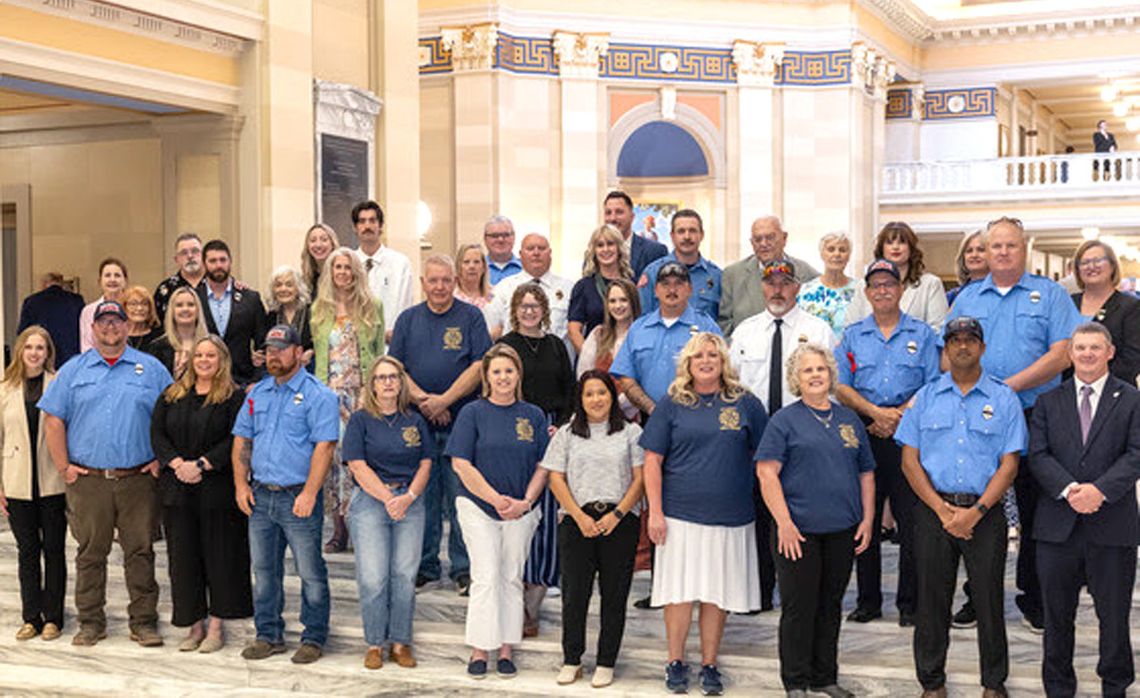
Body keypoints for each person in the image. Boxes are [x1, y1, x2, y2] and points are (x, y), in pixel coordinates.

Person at [945, 216, 1082, 632]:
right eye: (995, 246)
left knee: (1038, 507)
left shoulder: (1051, 294)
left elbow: (1063, 354)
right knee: (980, 505)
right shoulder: (967, 298)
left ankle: (1034, 598)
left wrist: (1009, 386)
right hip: (981, 417)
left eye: (1011, 245)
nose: (1002, 252)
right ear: (984, 252)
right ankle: (977, 597)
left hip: (1038, 415)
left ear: (1024, 249)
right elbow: (949, 353)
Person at [896, 316, 1026, 698]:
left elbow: (1010, 464)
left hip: (985, 515)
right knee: (932, 601)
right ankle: (932, 683)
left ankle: (993, 683)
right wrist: (941, 510)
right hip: (934, 512)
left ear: (982, 348)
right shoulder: (925, 397)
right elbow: (909, 461)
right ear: (946, 349)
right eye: (955, 341)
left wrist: (977, 512)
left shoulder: (1004, 398)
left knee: (988, 601)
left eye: (971, 340)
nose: (963, 346)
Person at [39, 300, 173, 647]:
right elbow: (53, 419)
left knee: (140, 552)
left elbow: (170, 417)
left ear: (128, 327)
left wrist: (162, 458)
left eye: (117, 321)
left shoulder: (152, 368)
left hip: (139, 480)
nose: (111, 327)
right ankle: (90, 622)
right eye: (104, 322)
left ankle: (143, 622)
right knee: (90, 553)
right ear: (93, 328)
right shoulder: (73, 370)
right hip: (89, 482)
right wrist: (64, 466)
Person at [642, 332, 767, 696]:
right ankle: (675, 661)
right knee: (679, 593)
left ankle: (710, 663)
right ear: (688, 363)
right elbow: (652, 461)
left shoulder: (745, 403)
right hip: (680, 515)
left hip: (732, 516)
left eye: (713, 354)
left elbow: (766, 456)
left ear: (724, 360)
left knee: (717, 594)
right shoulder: (672, 403)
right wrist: (655, 513)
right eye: (699, 356)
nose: (707, 361)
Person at [755, 343, 875, 698]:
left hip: (842, 529)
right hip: (798, 531)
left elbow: (866, 473)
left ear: (831, 374)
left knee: (830, 605)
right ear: (796, 377)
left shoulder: (849, 419)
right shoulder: (783, 420)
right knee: (798, 607)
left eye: (820, 369)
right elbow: (766, 473)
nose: (815, 375)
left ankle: (825, 677)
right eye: (807, 370)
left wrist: (868, 519)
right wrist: (785, 523)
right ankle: (795, 680)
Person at [1028, 322, 1140, 698]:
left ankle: (1115, 687)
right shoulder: (1048, 401)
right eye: (1080, 348)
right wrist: (1070, 489)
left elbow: (1136, 454)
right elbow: (1039, 456)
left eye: (1095, 347)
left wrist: (1100, 492)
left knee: (1113, 617)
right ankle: (1059, 688)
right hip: (1057, 528)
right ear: (1070, 354)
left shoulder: (1132, 399)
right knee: (1057, 619)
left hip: (1112, 525)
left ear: (1110, 352)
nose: (1088, 354)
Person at [834, 259, 941, 628]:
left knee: (910, 521)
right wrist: (874, 413)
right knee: (864, 518)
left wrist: (895, 415)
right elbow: (841, 384)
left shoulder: (923, 334)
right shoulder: (852, 335)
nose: (882, 290)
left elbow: (932, 384)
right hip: (864, 432)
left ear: (900, 290)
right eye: (875, 285)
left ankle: (909, 604)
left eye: (889, 284)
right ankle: (868, 601)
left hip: (908, 434)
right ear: (866, 293)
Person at [232, 324, 339, 665]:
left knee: (310, 572)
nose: (273, 355)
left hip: (298, 498)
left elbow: (325, 447)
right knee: (264, 571)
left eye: (281, 348)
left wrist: (310, 493)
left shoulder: (319, 394)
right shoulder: (256, 394)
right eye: (269, 349)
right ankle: (268, 634)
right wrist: (240, 484)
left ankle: (314, 636)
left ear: (298, 352)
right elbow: (242, 441)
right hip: (261, 497)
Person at [388, 255, 491, 595]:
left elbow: (479, 365)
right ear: (423, 283)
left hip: (463, 421)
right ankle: (426, 565)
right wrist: (426, 402)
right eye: (433, 280)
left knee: (462, 496)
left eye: (446, 280)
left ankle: (463, 568)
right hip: (417, 424)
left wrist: (445, 399)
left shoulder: (471, 317)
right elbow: (396, 367)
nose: (440, 287)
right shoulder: (408, 320)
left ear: (455, 280)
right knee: (423, 496)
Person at [446, 344, 549, 679]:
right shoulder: (472, 413)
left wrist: (526, 502)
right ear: (487, 377)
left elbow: (543, 465)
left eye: (508, 370)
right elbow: (461, 464)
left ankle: (506, 648)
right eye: (496, 372)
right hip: (477, 507)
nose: (503, 377)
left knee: (510, 576)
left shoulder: (533, 414)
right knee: (487, 574)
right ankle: (479, 649)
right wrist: (495, 500)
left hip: (521, 509)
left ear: (518, 374)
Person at [149, 335, 250, 654]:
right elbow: (157, 432)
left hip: (217, 489)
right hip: (177, 488)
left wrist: (203, 464)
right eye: (199, 355)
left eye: (211, 356)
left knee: (220, 558)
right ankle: (194, 625)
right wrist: (177, 463)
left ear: (222, 361)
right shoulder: (172, 394)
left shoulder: (233, 397)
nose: (204, 360)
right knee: (183, 560)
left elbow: (238, 439)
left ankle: (217, 626)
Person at [546, 370, 645, 689]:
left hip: (620, 520)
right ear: (581, 398)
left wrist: (617, 514)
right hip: (578, 522)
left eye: (601, 392)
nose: (596, 399)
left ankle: (606, 661)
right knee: (574, 595)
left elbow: (640, 479)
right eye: (589, 393)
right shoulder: (567, 434)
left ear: (611, 396)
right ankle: (572, 659)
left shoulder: (630, 432)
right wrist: (578, 515)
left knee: (615, 596)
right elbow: (555, 478)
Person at [343, 356, 432, 670]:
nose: (388, 382)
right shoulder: (360, 420)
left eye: (393, 376)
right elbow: (356, 464)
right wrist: (387, 498)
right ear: (372, 384)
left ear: (401, 381)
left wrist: (406, 497)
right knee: (373, 577)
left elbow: (426, 462)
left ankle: (400, 642)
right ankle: (374, 643)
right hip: (370, 502)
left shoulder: (415, 420)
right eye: (381, 377)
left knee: (405, 575)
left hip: (410, 499)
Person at [496, 284, 576, 637]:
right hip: (511, 433)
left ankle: (532, 608)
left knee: (544, 521)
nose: (529, 311)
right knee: (514, 517)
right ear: (515, 310)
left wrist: (561, 425)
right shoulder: (505, 346)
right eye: (523, 306)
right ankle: (510, 601)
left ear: (544, 309)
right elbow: (493, 388)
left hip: (550, 432)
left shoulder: (557, 346)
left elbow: (570, 391)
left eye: (535, 306)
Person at [311, 247, 386, 553]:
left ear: (357, 271)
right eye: (337, 267)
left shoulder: (372, 305)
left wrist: (372, 392)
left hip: (362, 393)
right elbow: (318, 355)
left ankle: (362, 524)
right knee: (333, 462)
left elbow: (378, 351)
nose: (342, 273)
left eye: (347, 267)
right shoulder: (320, 309)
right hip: (330, 395)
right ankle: (339, 527)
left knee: (359, 459)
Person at [1, 327, 65, 642]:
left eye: (41, 347)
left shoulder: (59, 385)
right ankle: (31, 617)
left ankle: (53, 617)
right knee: (27, 550)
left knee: (54, 550)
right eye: (29, 347)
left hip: (52, 480)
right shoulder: (4, 388)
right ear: (20, 351)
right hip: (16, 481)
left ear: (48, 352)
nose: (35, 353)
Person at [611, 262, 722, 416]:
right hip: (648, 417)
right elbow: (625, 377)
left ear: (690, 289)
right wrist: (651, 408)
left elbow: (721, 372)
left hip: (697, 417)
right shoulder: (638, 329)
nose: (671, 290)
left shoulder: (706, 326)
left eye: (678, 284)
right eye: (665, 284)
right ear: (656, 291)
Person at [730, 259, 837, 415]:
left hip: (803, 424)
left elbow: (832, 387)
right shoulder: (744, 332)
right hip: (754, 425)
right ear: (762, 287)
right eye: (771, 283)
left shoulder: (818, 331)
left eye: (785, 283)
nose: (777, 290)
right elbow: (731, 382)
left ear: (797, 288)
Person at [719, 216, 820, 335]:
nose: (764, 243)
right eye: (757, 239)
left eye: (770, 237)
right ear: (752, 243)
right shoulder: (733, 275)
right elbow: (724, 324)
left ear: (784, 238)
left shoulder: (807, 274)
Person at [846, 222, 949, 333]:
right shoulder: (864, 285)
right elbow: (851, 327)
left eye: (902, 242)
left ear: (911, 248)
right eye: (889, 243)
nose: (895, 247)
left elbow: (938, 328)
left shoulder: (930, 284)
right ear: (882, 249)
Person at [197, 239, 267, 387]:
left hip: (242, 382)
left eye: (223, 260)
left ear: (230, 262)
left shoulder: (250, 298)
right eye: (213, 261)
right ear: (204, 265)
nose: (219, 265)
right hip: (204, 382)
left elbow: (264, 344)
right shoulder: (194, 299)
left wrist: (256, 381)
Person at [1070, 239, 1140, 385]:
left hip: (1116, 393)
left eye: (1098, 260)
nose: (1091, 266)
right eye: (1084, 262)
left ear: (1113, 266)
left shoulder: (1131, 306)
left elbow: (1133, 358)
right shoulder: (1067, 303)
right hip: (1069, 392)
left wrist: (1092, 383)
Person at [486, 233, 575, 347]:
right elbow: (492, 331)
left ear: (550, 253)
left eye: (541, 248)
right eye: (530, 249)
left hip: (557, 359)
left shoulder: (568, 288)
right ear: (520, 254)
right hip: (514, 359)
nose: (536, 253)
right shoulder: (503, 289)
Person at [638, 209, 722, 322]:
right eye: (681, 231)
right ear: (672, 236)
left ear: (701, 235)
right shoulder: (653, 273)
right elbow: (642, 320)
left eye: (692, 231)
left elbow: (722, 322)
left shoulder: (716, 276)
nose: (687, 236)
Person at [577, 278, 642, 421]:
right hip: (596, 416)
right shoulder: (597, 335)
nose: (618, 306)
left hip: (630, 416)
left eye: (623, 300)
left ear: (633, 302)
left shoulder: (643, 337)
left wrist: (616, 406)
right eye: (612, 301)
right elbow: (583, 376)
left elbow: (644, 381)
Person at [352, 200, 413, 341]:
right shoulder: (348, 263)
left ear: (380, 226)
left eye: (372, 220)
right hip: (355, 347)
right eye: (362, 221)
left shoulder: (400, 263)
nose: (367, 226)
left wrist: (393, 335)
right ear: (355, 228)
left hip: (390, 347)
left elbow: (406, 306)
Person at [567, 224, 634, 353]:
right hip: (594, 359)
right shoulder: (584, 286)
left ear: (619, 248)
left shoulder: (632, 285)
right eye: (600, 245)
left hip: (626, 357)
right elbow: (573, 330)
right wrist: (591, 359)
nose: (605, 249)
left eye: (610, 244)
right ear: (594, 251)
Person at [18, 272, 85, 369]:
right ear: (61, 284)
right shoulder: (76, 300)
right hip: (71, 358)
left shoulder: (31, 301)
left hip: (43, 358)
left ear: (44, 284)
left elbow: (23, 334)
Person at [797, 232, 856, 336]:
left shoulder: (860, 290)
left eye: (842, 250)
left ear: (849, 256)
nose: (837, 254)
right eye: (831, 249)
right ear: (822, 254)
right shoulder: (805, 291)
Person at [144, 286, 209, 379]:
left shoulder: (212, 345)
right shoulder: (157, 348)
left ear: (198, 309)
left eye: (191, 304)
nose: (185, 309)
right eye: (179, 305)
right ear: (172, 311)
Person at [602, 190, 667, 279]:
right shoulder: (595, 254)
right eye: (608, 213)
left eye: (619, 212)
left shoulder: (655, 251)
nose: (613, 218)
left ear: (632, 217)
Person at [265, 266, 314, 365]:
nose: (283, 289)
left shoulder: (312, 312)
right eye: (278, 285)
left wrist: (312, 352)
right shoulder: (271, 316)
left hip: (308, 368)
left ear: (298, 288)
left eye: (289, 285)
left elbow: (321, 342)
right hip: (280, 369)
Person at [78, 257, 128, 353]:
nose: (112, 279)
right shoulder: (88, 311)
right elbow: (86, 347)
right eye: (107, 275)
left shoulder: (131, 309)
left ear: (125, 281)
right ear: (99, 281)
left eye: (117, 275)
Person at [154, 233, 206, 322]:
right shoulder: (165, 289)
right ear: (176, 260)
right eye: (184, 253)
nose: (190, 256)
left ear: (203, 256)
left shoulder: (216, 284)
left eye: (195, 251)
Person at [453, 242, 495, 324]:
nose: (472, 266)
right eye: (466, 262)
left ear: (483, 267)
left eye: (476, 262)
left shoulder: (495, 295)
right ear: (458, 267)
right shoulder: (451, 297)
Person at [945, 230, 987, 306]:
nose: (974, 255)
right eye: (969, 251)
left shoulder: (1004, 292)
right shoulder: (952, 296)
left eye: (981, 250)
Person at [301, 223, 339, 296]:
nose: (318, 245)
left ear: (333, 244)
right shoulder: (305, 280)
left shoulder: (341, 274)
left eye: (324, 240)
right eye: (313, 240)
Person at [484, 215, 522, 285]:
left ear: (514, 237)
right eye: (494, 236)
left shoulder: (526, 270)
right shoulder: (477, 269)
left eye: (506, 235)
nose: (500, 240)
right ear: (485, 239)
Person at [123, 285, 162, 350]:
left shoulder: (158, 337)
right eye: (133, 304)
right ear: (124, 307)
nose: (139, 308)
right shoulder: (116, 335)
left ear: (150, 308)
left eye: (144, 304)